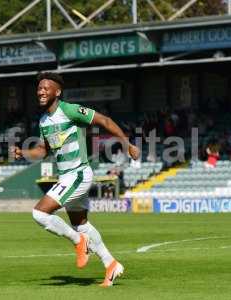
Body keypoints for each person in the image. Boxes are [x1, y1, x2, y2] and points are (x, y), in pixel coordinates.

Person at [10, 72, 140, 287]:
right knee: (81, 224)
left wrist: (128, 144)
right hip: (67, 176)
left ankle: (78, 242)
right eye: (39, 88)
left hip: (78, 173)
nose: (40, 91)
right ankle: (111, 264)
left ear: (57, 92)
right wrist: (23, 153)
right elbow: (42, 150)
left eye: (45, 88)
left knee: (39, 213)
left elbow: (104, 120)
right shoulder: (44, 121)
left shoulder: (70, 110)